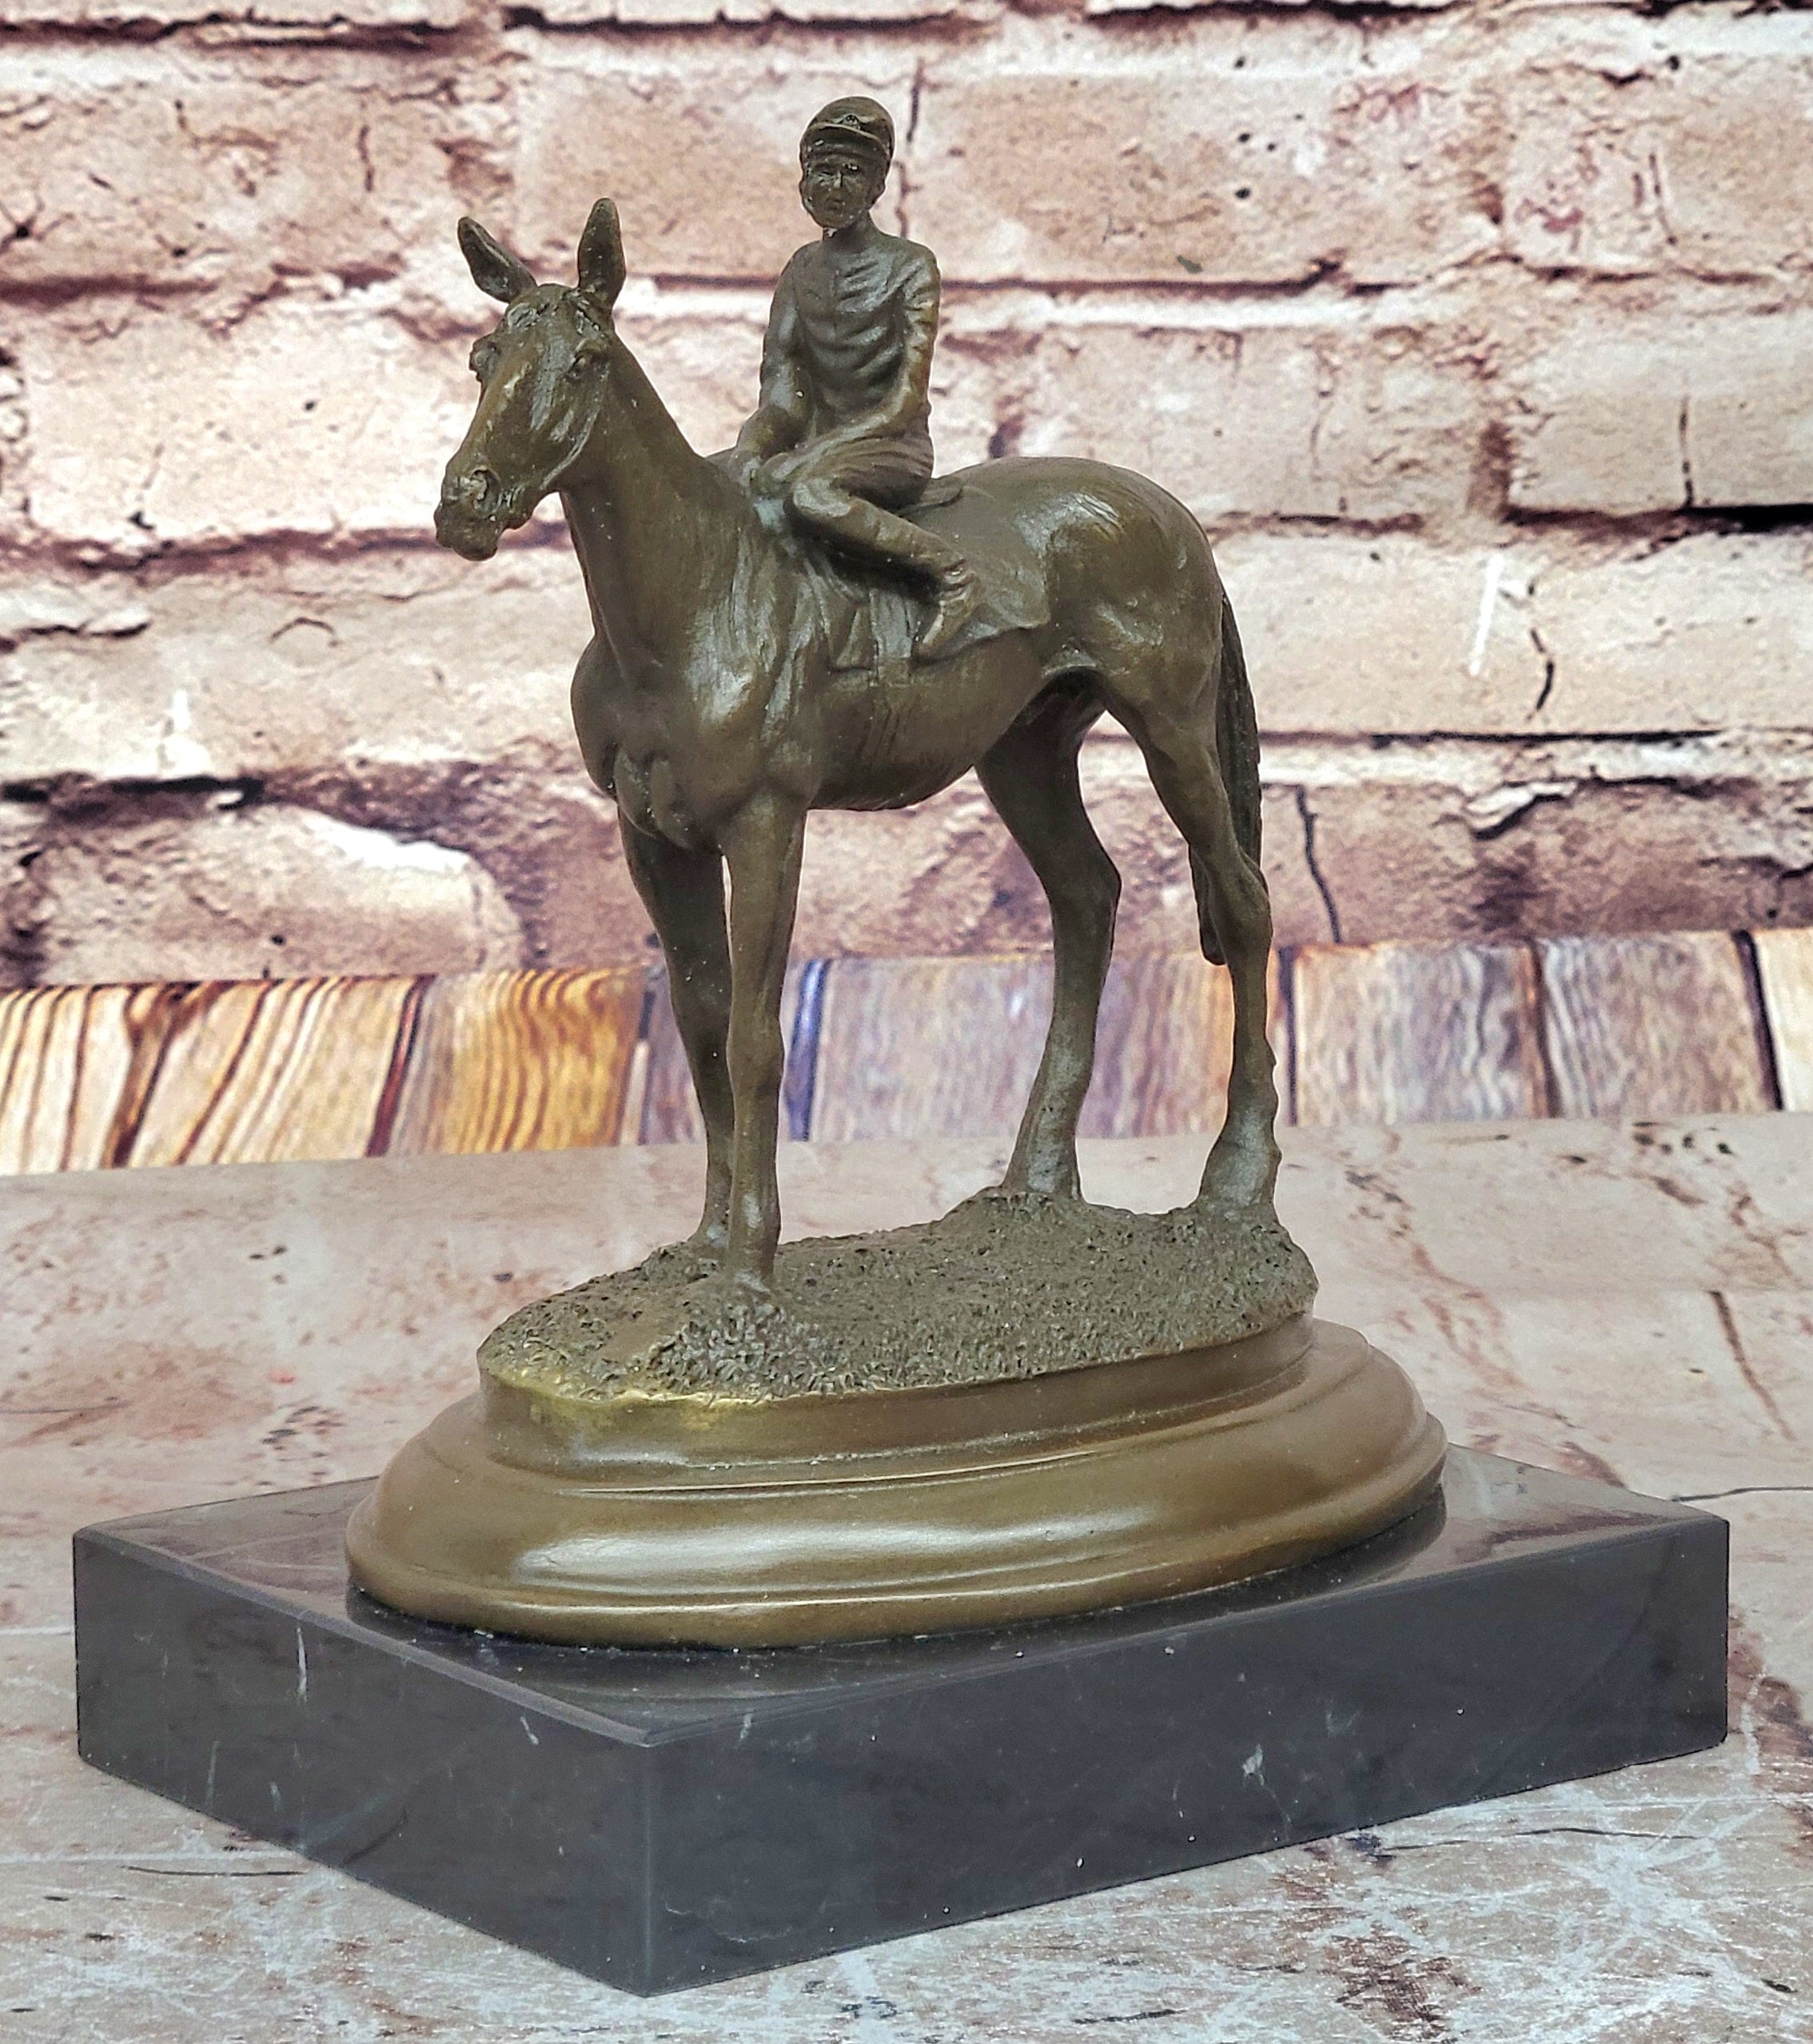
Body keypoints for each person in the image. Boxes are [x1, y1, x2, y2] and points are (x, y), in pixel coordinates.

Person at [731, 97, 981, 661]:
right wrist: (752, 448)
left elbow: (904, 401)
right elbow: (781, 389)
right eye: (823, 170)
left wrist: (810, 457)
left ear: (877, 186)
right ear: (803, 182)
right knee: (725, 480)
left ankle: (952, 575)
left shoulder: (911, 266)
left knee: (812, 494)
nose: (835, 186)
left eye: (852, 171)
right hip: (815, 448)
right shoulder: (800, 270)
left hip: (890, 447)